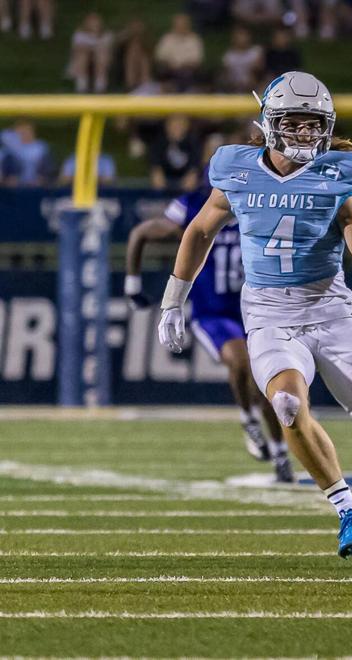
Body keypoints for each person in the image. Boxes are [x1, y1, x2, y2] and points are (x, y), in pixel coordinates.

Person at [156, 71, 352, 558]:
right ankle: (348, 509)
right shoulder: (238, 168)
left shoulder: (339, 172)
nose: (304, 133)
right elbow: (198, 232)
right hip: (269, 312)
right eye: (293, 123)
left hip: (331, 311)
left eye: (313, 124)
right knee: (288, 405)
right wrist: (174, 297)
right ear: (270, 123)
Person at [127, 171, 293, 484]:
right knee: (241, 361)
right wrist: (132, 283)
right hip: (212, 313)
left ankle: (281, 455)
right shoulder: (194, 208)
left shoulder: (262, 206)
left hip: (256, 312)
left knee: (268, 387)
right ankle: (248, 420)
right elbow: (142, 232)